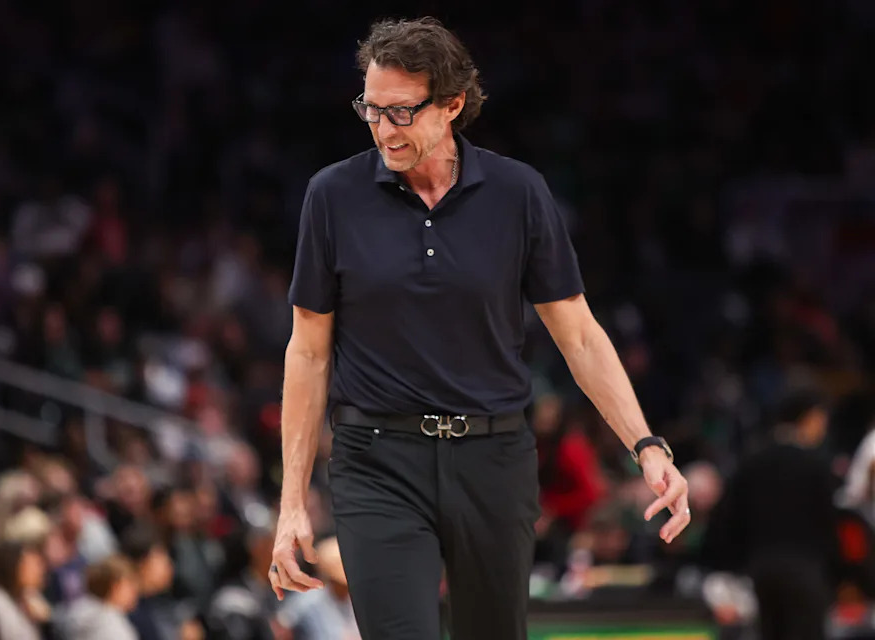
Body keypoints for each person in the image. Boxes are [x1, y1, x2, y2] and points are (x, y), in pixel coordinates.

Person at [272, 16, 691, 640]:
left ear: (452, 105)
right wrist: (291, 505)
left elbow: (576, 333)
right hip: (376, 456)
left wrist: (645, 445)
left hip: (493, 456)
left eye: (402, 112)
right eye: (371, 109)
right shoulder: (331, 196)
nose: (383, 129)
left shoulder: (519, 193)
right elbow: (307, 353)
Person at [701, 389, 839, 640]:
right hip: (805, 571)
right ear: (808, 418)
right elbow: (829, 522)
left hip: (761, 571)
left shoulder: (751, 460)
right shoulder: (817, 463)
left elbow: (729, 519)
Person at [56, 554, 140, 640]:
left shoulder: (74, 613)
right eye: (130, 585)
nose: (135, 592)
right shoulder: (114, 627)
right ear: (115, 587)